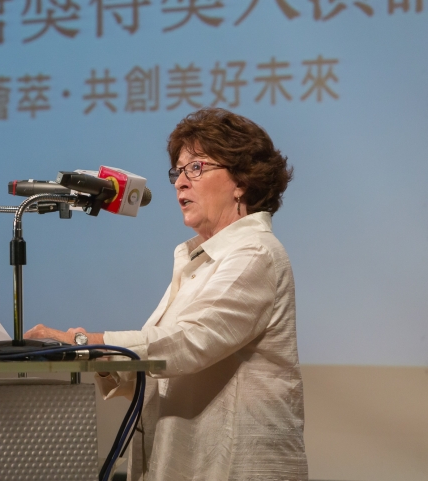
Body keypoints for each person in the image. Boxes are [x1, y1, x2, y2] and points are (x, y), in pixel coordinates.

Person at [25, 108, 308, 481]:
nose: (180, 183)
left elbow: (188, 343)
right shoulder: (199, 259)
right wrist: (88, 354)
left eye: (196, 168)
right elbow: (163, 366)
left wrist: (83, 342)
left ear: (241, 180)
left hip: (236, 466)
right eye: (178, 171)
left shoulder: (254, 253)